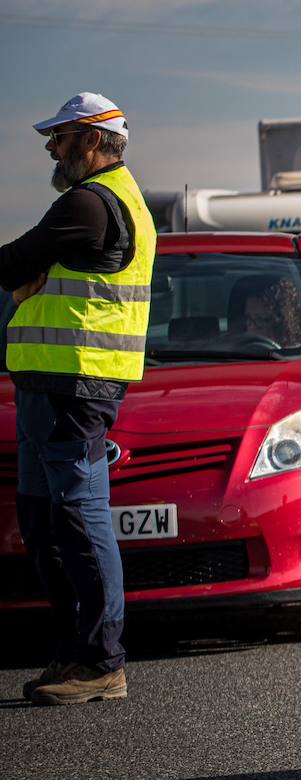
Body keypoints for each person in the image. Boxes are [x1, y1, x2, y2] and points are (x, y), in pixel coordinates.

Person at [0, 93, 156, 705]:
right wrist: (23, 275)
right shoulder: (101, 202)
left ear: (91, 141)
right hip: (49, 385)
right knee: (44, 522)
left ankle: (101, 661)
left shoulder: (90, 203)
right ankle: (71, 654)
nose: (50, 147)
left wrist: (21, 276)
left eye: (59, 137)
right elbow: (20, 269)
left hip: (75, 384)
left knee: (78, 517)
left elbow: (10, 263)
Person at [240, 276, 301, 349]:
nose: (251, 327)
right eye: (249, 319)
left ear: (281, 322)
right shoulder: (235, 355)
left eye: (259, 319)